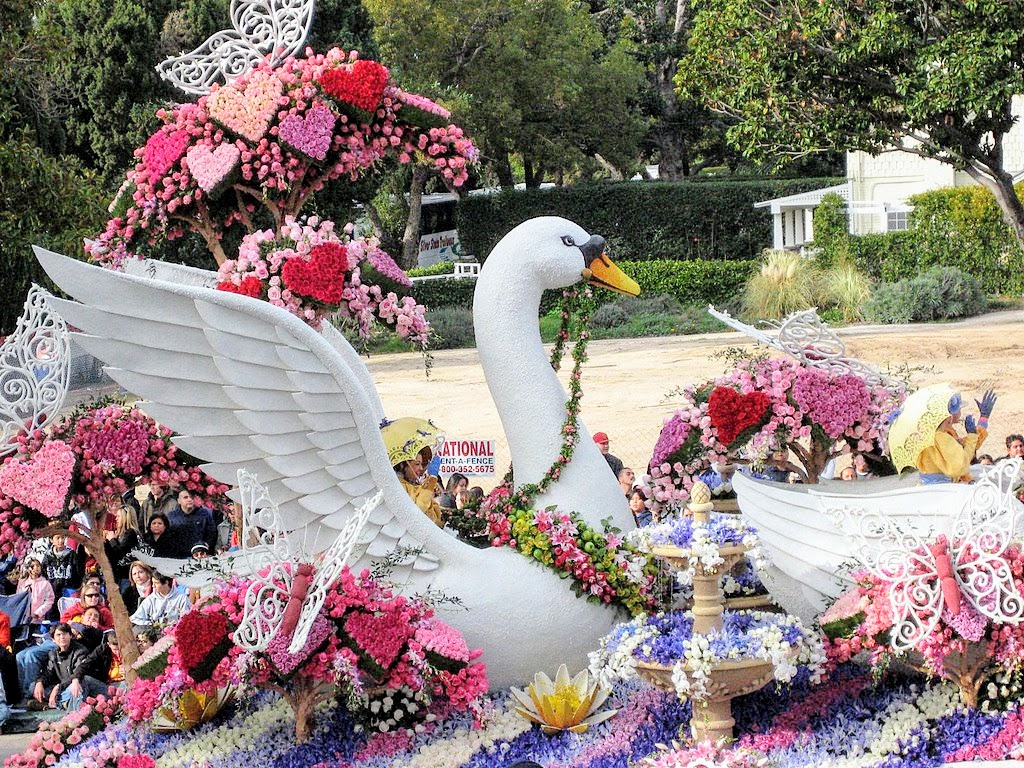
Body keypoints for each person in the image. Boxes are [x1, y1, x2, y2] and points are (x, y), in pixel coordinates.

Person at [917, 389, 995, 484]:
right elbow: (962, 460)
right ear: (950, 415)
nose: (960, 412)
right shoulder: (943, 435)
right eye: (959, 409)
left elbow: (968, 445)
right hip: (943, 488)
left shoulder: (931, 433)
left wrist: (983, 420)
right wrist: (977, 428)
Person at [30, 623, 105, 711]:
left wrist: (58, 687)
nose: (62, 637)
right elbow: (48, 673)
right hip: (62, 688)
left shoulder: (80, 651)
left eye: (64, 634)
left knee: (76, 688)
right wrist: (40, 682)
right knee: (33, 687)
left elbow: (78, 675)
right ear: (53, 639)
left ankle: (54, 704)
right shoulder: (53, 654)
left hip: (76, 685)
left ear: (70, 636)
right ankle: (62, 703)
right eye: (58, 635)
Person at [166, 490, 218, 558]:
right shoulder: (172, 517)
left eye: (192, 497)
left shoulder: (204, 514)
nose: (189, 500)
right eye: (185, 497)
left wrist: (206, 544)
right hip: (179, 557)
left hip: (200, 555)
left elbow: (212, 533)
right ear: (179, 501)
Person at [394, 456, 443, 526]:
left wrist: (444, 511)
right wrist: (432, 479)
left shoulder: (414, 484)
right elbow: (420, 508)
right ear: (402, 465)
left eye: (421, 464)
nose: (421, 468)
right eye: (417, 464)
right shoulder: (400, 486)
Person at [41, 535, 80, 609]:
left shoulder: (72, 554)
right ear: (51, 540)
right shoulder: (47, 556)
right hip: (52, 592)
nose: (61, 541)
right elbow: (43, 574)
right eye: (58, 538)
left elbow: (77, 574)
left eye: (63, 538)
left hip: (68, 592)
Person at [17, 559, 54, 625]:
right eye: (32, 566)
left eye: (38, 565)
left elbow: (49, 601)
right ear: (28, 569)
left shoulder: (45, 583)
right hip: (23, 619)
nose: (35, 568)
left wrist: (38, 613)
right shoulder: (23, 583)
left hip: (38, 620)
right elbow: (18, 599)